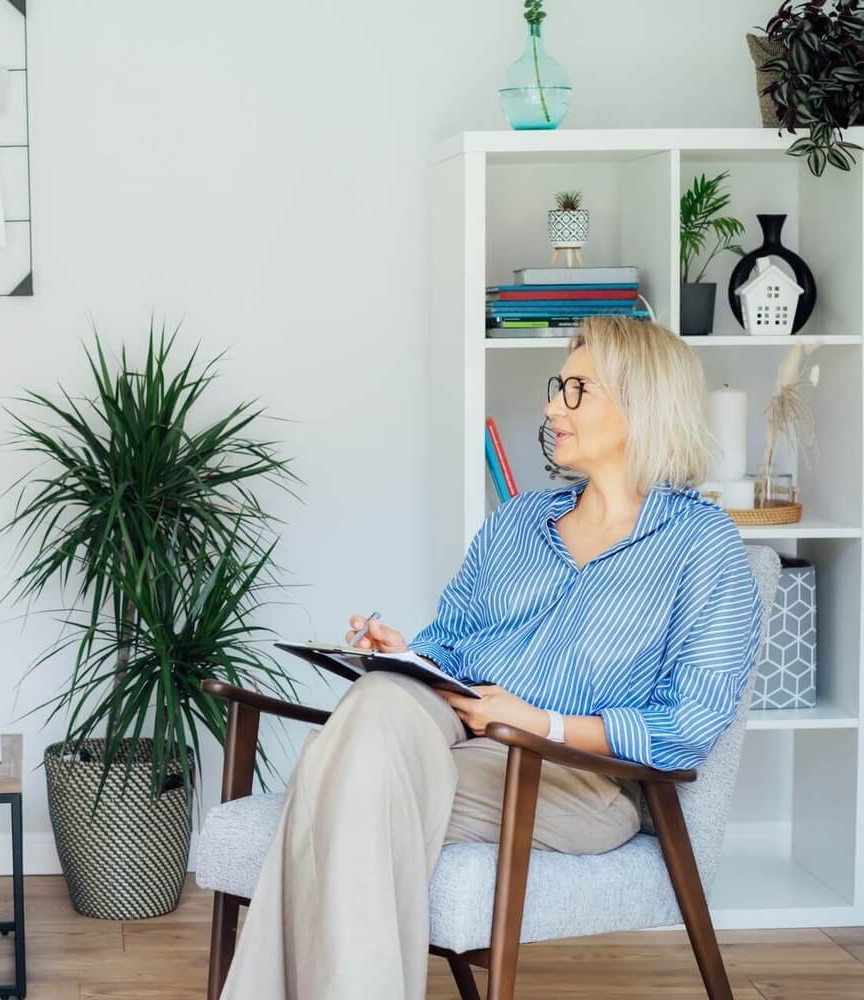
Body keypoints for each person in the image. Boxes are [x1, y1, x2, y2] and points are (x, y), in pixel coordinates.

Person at [221, 317, 764, 1000]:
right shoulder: (517, 520)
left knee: (342, 778)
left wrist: (544, 723)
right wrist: (409, 654)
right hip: (453, 731)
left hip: (573, 774)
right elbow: (454, 639)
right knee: (378, 701)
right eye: (556, 387)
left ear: (640, 404)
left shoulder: (702, 546)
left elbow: (690, 722)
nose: (549, 407)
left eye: (576, 390)